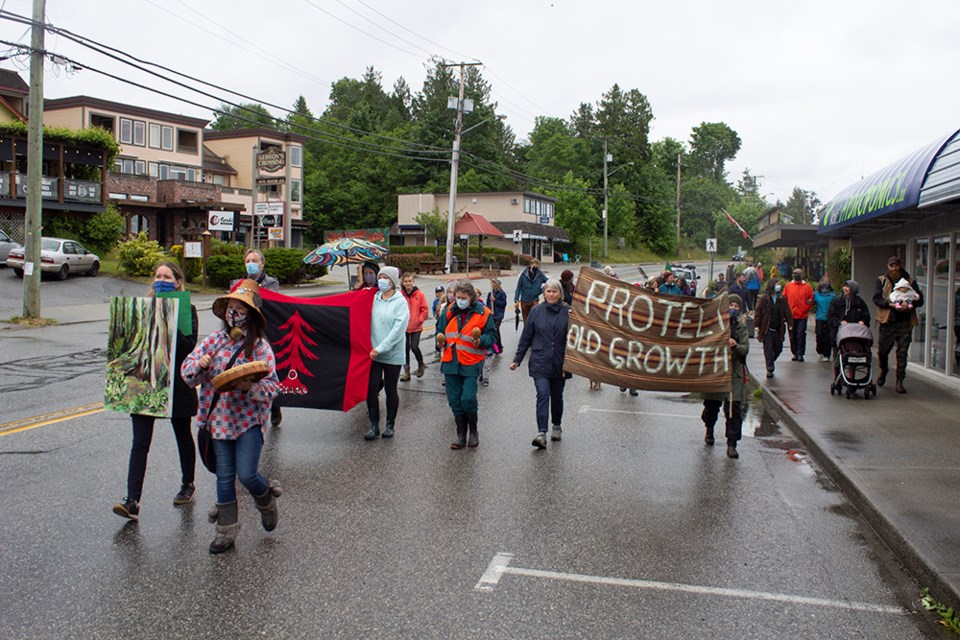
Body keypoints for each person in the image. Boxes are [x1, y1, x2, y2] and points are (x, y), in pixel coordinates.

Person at [181, 279, 281, 554]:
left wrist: (251, 387)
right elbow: (187, 372)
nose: (234, 312)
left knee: (247, 474)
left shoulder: (259, 346)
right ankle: (225, 532)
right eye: (230, 307)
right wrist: (199, 365)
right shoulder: (212, 342)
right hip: (219, 421)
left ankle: (265, 500)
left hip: (248, 420)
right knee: (224, 476)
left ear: (250, 313)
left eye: (240, 308)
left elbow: (274, 386)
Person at [113, 262, 199, 522]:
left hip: (176, 384)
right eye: (158, 276)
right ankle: (132, 501)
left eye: (167, 276)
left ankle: (188, 483)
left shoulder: (188, 310)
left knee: (182, 435)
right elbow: (128, 347)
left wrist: (168, 321)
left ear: (178, 282)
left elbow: (188, 346)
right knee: (140, 442)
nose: (161, 280)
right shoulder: (140, 309)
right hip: (146, 383)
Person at [437, 279, 497, 449]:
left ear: (471, 297)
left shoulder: (484, 313)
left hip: (471, 362)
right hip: (450, 361)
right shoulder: (449, 311)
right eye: (457, 297)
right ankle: (461, 435)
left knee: (468, 398)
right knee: (455, 400)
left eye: (463, 297)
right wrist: (439, 340)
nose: (460, 301)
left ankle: (473, 431)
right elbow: (440, 330)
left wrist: (481, 341)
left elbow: (492, 337)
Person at [510, 279, 570, 448]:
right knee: (543, 394)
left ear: (560, 294)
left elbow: (576, 338)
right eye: (548, 291)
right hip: (540, 361)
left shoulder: (568, 312)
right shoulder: (536, 311)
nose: (551, 294)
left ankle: (556, 425)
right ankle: (541, 433)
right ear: (544, 293)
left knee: (556, 396)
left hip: (560, 362)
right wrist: (517, 359)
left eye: (554, 291)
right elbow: (526, 336)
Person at [232, 249, 283, 427]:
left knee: (267, 370)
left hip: (266, 331)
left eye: (255, 260)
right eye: (248, 260)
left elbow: (268, 304)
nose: (251, 263)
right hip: (244, 332)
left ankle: (274, 405)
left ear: (262, 264)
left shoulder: (272, 283)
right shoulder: (237, 283)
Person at [701, 293, 750, 459]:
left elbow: (745, 349)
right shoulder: (715, 324)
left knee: (733, 410)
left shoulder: (741, 328)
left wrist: (735, 345)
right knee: (711, 407)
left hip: (734, 373)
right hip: (716, 371)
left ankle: (732, 444)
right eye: (731, 306)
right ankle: (709, 428)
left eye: (736, 307)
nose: (733, 309)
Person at [364, 266, 410, 439]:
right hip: (372, 354)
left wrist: (381, 348)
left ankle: (390, 425)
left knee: (390, 389)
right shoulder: (374, 298)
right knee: (371, 388)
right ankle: (374, 425)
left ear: (393, 281)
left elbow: (398, 330)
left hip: (391, 354)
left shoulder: (400, 302)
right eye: (380, 277)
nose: (382, 280)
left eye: (386, 277)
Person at [873, 256, 924, 393]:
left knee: (902, 353)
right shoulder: (881, 280)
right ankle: (883, 370)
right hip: (887, 322)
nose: (894, 268)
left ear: (900, 266)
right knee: (882, 351)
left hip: (904, 322)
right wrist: (890, 305)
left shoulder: (910, 281)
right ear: (888, 267)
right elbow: (876, 299)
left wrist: (910, 306)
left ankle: (900, 380)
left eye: (897, 265)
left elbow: (920, 299)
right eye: (892, 266)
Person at [827, 280, 870, 380]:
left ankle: (851, 378)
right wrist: (839, 322)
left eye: (848, 287)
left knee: (853, 359)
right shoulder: (836, 301)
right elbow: (830, 317)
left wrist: (862, 321)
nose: (845, 288)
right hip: (839, 335)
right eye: (844, 286)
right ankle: (837, 378)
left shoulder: (860, 302)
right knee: (838, 358)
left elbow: (866, 316)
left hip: (855, 336)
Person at [754, 279, 793, 378]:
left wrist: (790, 323)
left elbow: (787, 311)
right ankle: (769, 368)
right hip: (767, 328)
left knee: (778, 348)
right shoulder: (765, 298)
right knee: (768, 348)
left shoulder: (782, 299)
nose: (778, 287)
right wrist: (757, 326)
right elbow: (758, 311)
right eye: (777, 285)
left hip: (778, 328)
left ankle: (771, 360)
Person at [399, 272, 428, 382]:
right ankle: (406, 372)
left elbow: (424, 309)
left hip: (416, 327)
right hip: (404, 327)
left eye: (410, 281)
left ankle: (421, 363)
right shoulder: (400, 295)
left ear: (413, 282)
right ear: (402, 282)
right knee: (404, 349)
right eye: (406, 281)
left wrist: (419, 319)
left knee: (414, 347)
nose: (408, 283)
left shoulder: (419, 294)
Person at [783, 268, 815, 362]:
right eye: (795, 273)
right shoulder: (788, 286)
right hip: (791, 316)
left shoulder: (807, 287)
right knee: (792, 335)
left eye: (799, 273)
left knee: (801, 334)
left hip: (802, 315)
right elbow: (784, 299)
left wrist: (805, 308)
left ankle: (800, 353)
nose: (797, 275)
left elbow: (811, 300)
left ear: (802, 275)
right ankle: (795, 353)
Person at [514, 258, 548, 322]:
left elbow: (548, 283)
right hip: (524, 300)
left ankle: (533, 331)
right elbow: (518, 288)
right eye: (533, 265)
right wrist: (516, 299)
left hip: (534, 300)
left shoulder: (540, 274)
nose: (535, 267)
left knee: (534, 318)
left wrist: (541, 290)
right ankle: (527, 331)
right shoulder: (523, 275)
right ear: (530, 265)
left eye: (537, 266)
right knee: (526, 319)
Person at [813, 275, 836, 361]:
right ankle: (820, 351)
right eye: (824, 281)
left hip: (829, 318)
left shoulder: (833, 295)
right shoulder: (816, 294)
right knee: (819, 335)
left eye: (828, 282)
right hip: (819, 317)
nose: (826, 283)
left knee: (828, 336)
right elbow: (811, 304)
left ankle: (827, 354)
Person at [486, 278, 507, 353]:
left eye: (494, 283)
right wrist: (489, 311)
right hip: (492, 314)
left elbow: (503, 304)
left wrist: (495, 300)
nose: (492, 284)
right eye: (492, 282)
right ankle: (492, 346)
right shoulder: (490, 293)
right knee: (491, 330)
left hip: (498, 314)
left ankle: (499, 346)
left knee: (496, 329)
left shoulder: (502, 293)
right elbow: (488, 304)